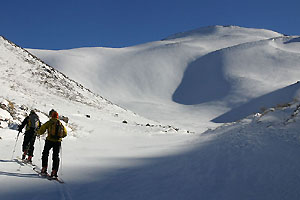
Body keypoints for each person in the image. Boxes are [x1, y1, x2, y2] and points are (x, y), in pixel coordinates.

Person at [37, 111, 67, 177]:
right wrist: (59, 137)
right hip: (58, 142)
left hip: (49, 140)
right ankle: (54, 171)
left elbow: (41, 130)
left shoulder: (49, 122)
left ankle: (44, 168)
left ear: (52, 116)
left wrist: (38, 132)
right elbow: (65, 133)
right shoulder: (60, 123)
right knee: (55, 156)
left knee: (45, 153)